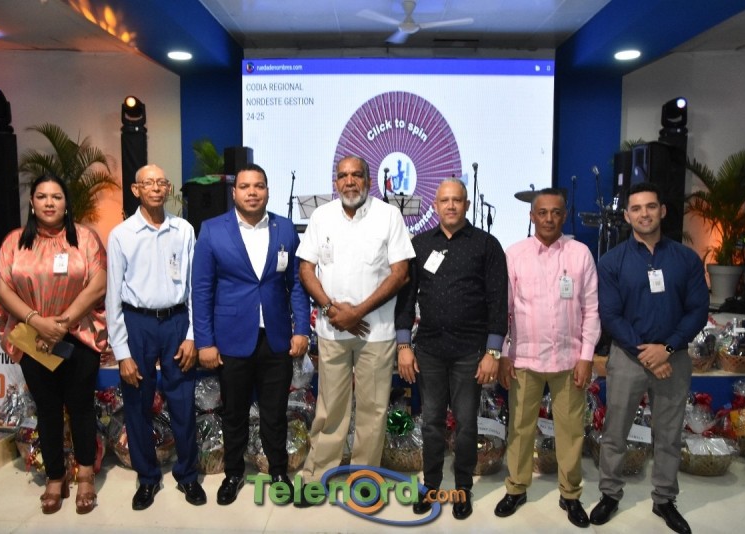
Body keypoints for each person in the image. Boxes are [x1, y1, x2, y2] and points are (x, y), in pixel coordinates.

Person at [589, 182, 708, 534]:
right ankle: (609, 494)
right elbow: (610, 315)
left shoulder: (686, 259)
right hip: (628, 357)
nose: (644, 214)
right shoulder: (612, 262)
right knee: (615, 432)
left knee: (669, 434)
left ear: (662, 211)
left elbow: (698, 311)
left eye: (651, 207)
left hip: (674, 357)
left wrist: (666, 349)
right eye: (637, 209)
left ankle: (664, 499)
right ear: (627, 216)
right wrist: (646, 352)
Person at [295, 155, 415, 500]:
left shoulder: (388, 216)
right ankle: (317, 477)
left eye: (356, 175)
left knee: (373, 411)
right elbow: (306, 269)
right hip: (331, 331)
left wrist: (358, 312)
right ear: (336, 182)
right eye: (343, 176)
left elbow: (400, 274)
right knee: (329, 408)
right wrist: (331, 309)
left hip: (376, 333)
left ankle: (365, 480)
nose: (350, 182)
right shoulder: (321, 216)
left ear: (368, 180)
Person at [192, 163, 310, 505]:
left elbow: (296, 285)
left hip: (276, 338)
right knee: (234, 412)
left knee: (275, 412)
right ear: (234, 193)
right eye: (245, 186)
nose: (252, 192)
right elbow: (202, 290)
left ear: (268, 191)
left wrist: (302, 329)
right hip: (231, 339)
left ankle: (278, 471)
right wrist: (205, 342)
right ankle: (233, 473)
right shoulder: (212, 230)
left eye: (259, 186)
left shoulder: (284, 228)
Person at [0, 174, 107, 514]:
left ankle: (86, 474)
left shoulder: (85, 238)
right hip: (33, 338)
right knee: (47, 408)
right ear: (32, 203)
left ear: (66, 203)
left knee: (81, 408)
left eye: (56, 196)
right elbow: (3, 287)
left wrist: (63, 322)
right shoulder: (14, 242)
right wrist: (37, 321)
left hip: (79, 336)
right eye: (42, 196)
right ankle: (55, 476)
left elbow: (99, 283)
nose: (49, 202)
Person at [395, 178, 508, 520]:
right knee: (431, 422)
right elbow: (406, 298)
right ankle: (431, 486)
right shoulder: (419, 244)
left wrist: (493, 352)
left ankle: (462, 488)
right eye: (444, 200)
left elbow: (498, 301)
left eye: (457, 200)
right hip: (429, 349)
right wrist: (404, 344)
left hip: (469, 351)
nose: (451, 206)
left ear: (467, 204)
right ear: (435, 205)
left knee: (466, 423)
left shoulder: (486, 245)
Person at [494, 188, 600, 528]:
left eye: (556, 212)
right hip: (524, 358)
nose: (549, 218)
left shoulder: (580, 254)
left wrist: (586, 357)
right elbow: (504, 309)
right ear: (532, 216)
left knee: (571, 431)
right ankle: (516, 488)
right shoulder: (515, 254)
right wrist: (504, 354)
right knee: (520, 428)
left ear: (564, 216)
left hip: (569, 360)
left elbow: (591, 309)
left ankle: (570, 494)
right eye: (542, 212)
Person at [106, 164, 206, 510]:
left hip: (177, 322)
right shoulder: (121, 235)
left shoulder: (184, 230)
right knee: (137, 403)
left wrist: (192, 335)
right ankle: (147, 478)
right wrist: (122, 352)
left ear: (168, 189)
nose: (156, 188)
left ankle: (187, 475)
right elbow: (112, 296)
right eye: (148, 183)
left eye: (161, 182)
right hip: (138, 324)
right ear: (136, 190)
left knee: (182, 401)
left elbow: (194, 287)